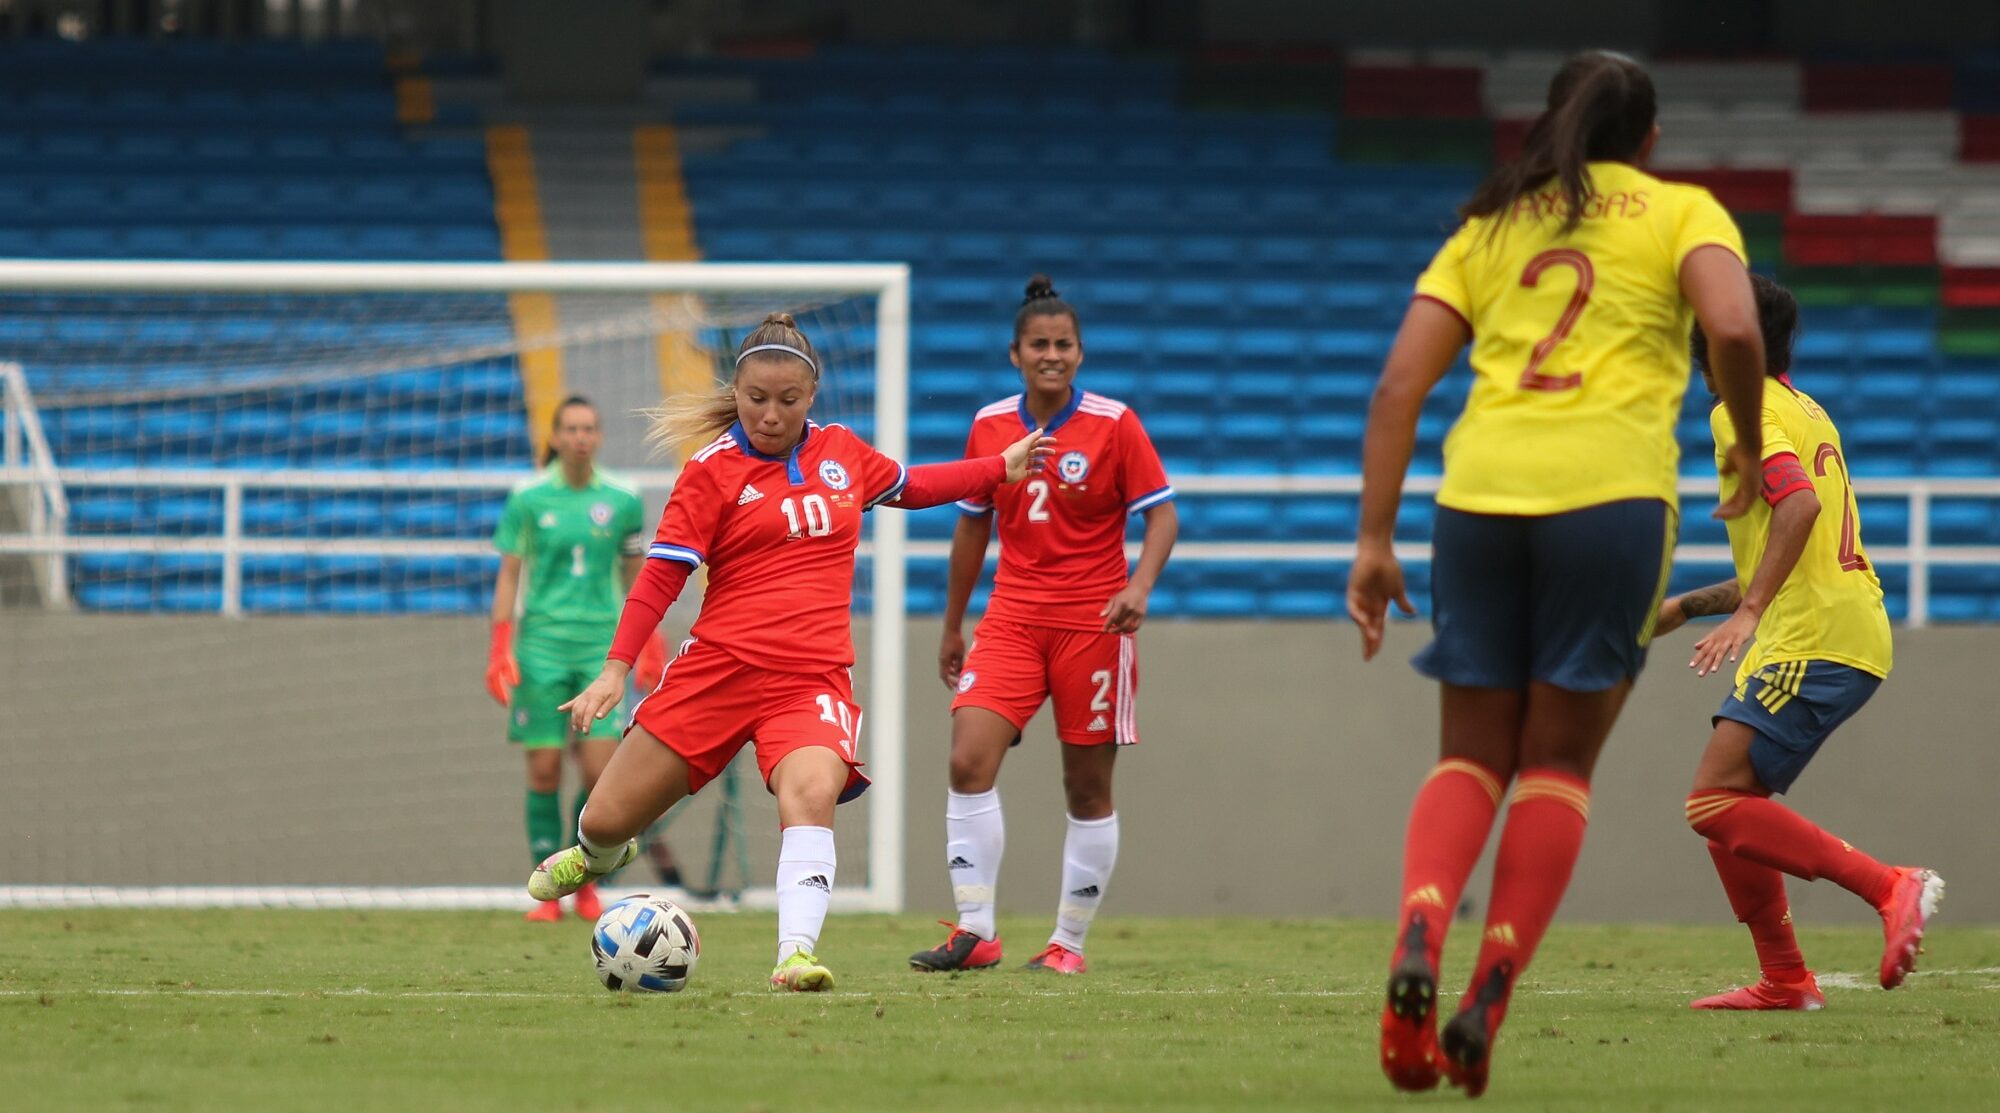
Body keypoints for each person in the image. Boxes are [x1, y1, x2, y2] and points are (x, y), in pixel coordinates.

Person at [1346, 51, 1770, 1098]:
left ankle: (1418, 925)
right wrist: (1752, 450)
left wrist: (1371, 539)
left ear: (1552, 125)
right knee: (1554, 768)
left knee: (1467, 758)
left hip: (1478, 503)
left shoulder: (1491, 224)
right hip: (1611, 505)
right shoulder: (1681, 212)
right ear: (1649, 140)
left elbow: (1400, 381)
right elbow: (1731, 326)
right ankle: (1489, 982)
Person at [526, 313, 1051, 992]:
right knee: (603, 815)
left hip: (810, 678)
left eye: (788, 400)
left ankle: (795, 953)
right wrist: (615, 668)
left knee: (810, 795)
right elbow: (661, 575)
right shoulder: (711, 471)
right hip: (717, 671)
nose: (770, 415)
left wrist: (995, 469)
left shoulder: (844, 454)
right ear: (736, 392)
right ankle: (597, 853)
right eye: (756, 399)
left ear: (812, 395)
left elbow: (913, 485)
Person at [1657, 274, 1943, 1011]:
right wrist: (1691, 605)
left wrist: (1748, 611)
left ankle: (1891, 885)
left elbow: (1802, 505)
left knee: (1714, 801)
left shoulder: (1737, 409)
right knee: (1730, 811)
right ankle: (1785, 978)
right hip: (1837, 622)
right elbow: (1784, 542)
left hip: (1813, 633)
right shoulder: (1802, 406)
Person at [910, 276, 1179, 977]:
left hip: (1095, 624)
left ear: (1080, 353)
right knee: (968, 757)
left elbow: (1163, 515)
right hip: (1011, 619)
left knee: (1085, 787)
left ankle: (1068, 943)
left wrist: (1139, 585)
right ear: (1015, 353)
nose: (1051, 355)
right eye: (1039, 344)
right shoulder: (991, 425)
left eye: (1063, 344)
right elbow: (972, 530)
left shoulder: (1115, 424)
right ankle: (977, 930)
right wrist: (952, 624)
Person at [486, 396, 666, 922]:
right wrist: (500, 647)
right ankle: (549, 892)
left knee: (599, 772)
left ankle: (585, 879)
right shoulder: (528, 498)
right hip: (540, 648)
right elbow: (509, 573)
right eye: (571, 428)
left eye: (590, 427)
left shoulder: (624, 499)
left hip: (600, 650)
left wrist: (649, 644)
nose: (581, 437)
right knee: (543, 771)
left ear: (600, 436)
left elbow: (638, 574)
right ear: (557, 437)